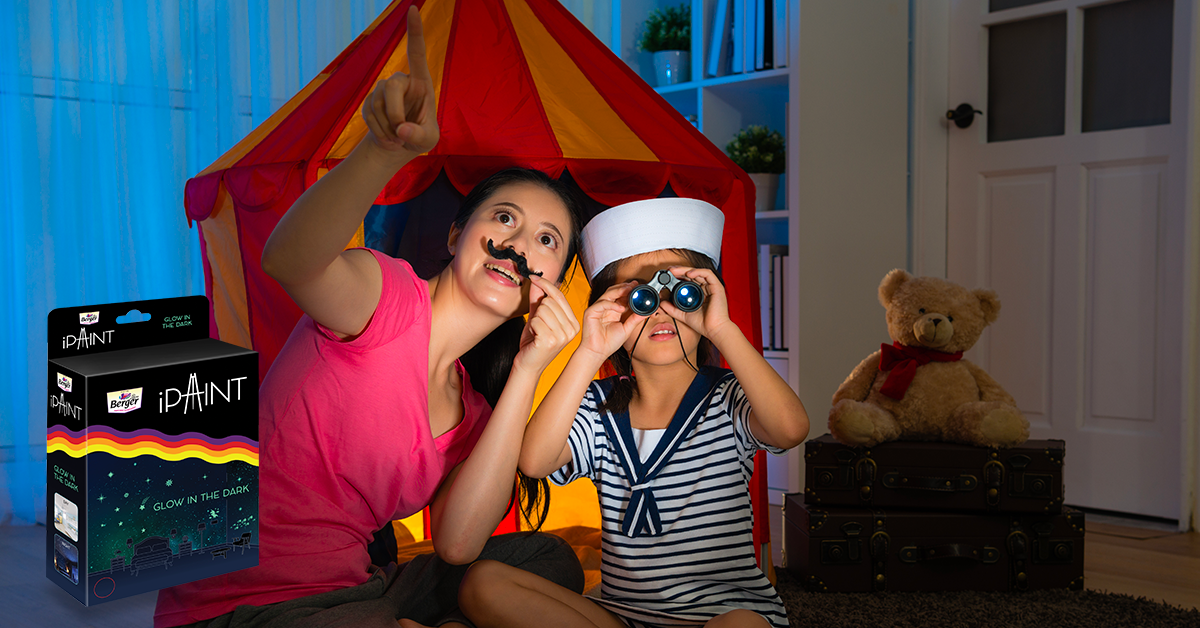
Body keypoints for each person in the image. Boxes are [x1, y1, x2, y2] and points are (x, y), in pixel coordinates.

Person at [154, 7, 585, 628]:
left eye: (548, 240)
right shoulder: (384, 296)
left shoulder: (472, 411)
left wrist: (529, 367)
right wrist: (379, 154)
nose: (520, 245)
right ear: (459, 232)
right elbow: (291, 261)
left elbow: (458, 544)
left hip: (360, 589)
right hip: (241, 608)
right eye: (505, 218)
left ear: (552, 279)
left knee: (544, 560)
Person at [457, 198, 809, 628]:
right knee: (483, 582)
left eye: (682, 291)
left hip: (721, 615)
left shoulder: (730, 398)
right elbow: (534, 461)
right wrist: (590, 349)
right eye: (639, 296)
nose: (661, 308)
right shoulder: (599, 407)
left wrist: (721, 328)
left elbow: (791, 429)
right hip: (623, 617)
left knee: (742, 627)